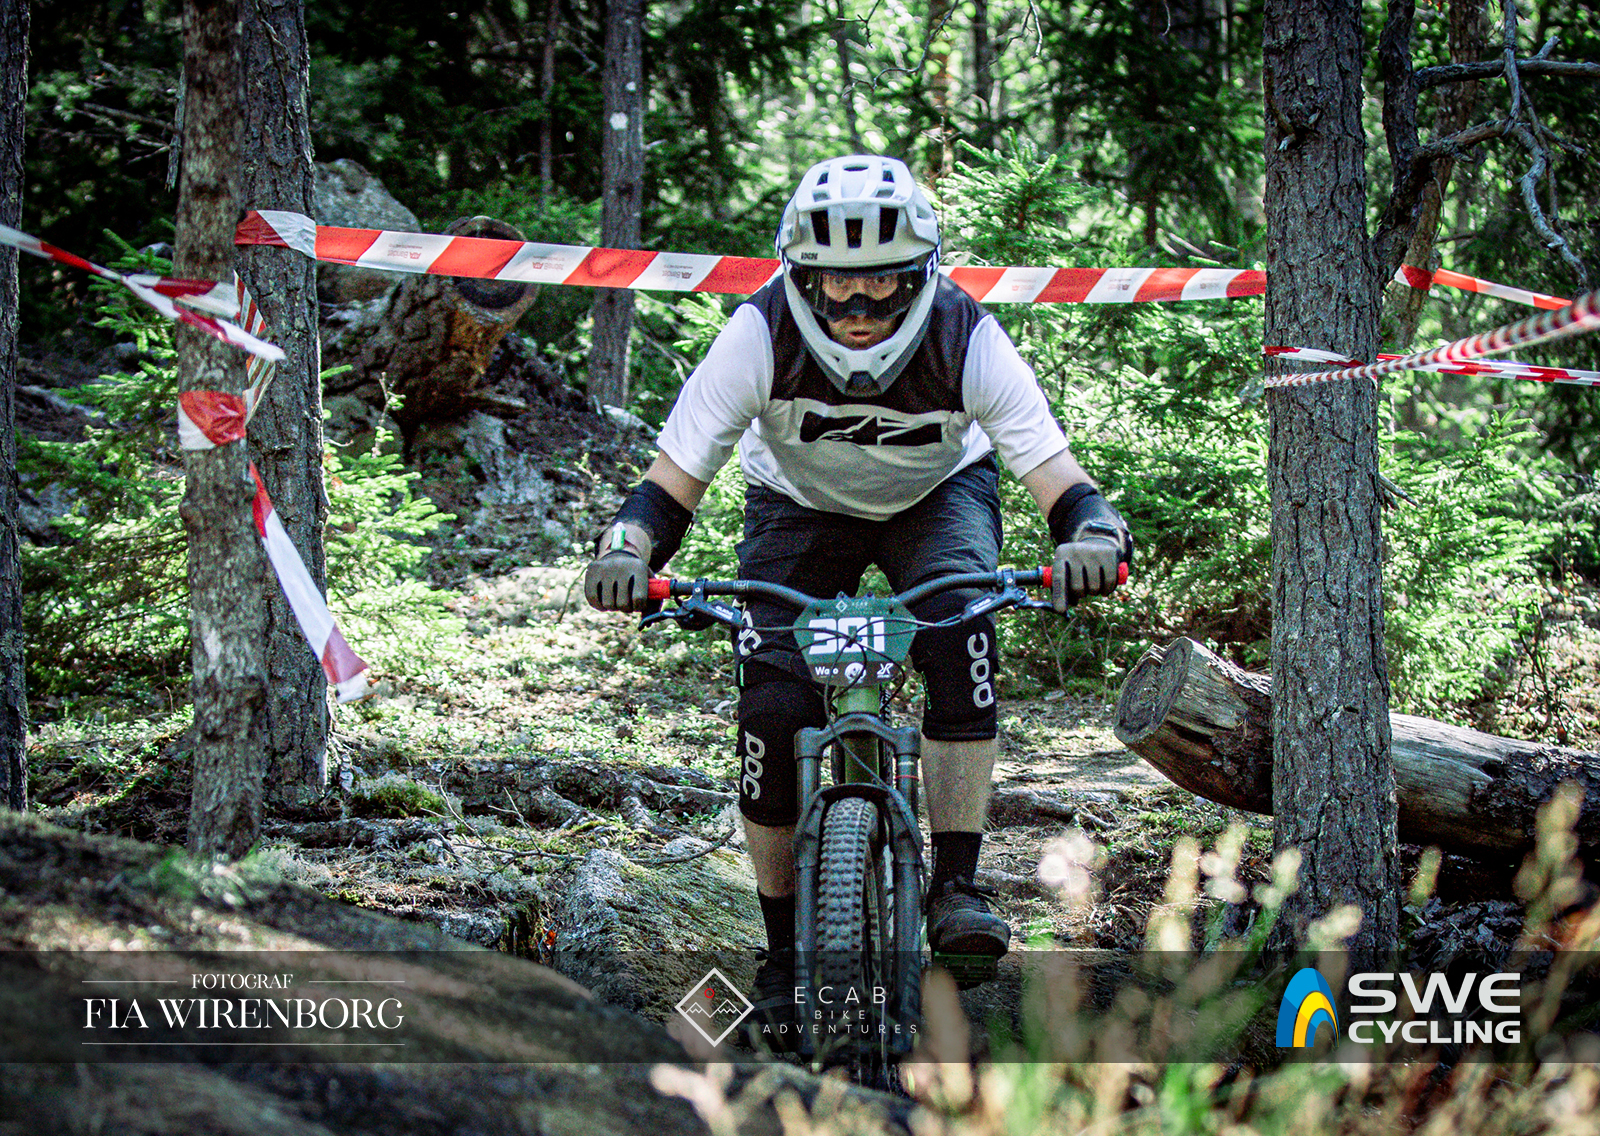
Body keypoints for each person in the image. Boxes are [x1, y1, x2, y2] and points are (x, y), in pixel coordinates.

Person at [584, 154, 1131, 1040]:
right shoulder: (759, 334)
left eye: (883, 284)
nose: (860, 310)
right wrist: (625, 551)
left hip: (937, 498)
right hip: (797, 507)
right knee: (771, 708)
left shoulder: (964, 334)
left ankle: (956, 885)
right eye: (837, 287)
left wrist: (1094, 537)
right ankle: (781, 954)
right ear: (801, 277)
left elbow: (1058, 478)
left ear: (922, 274)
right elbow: (668, 486)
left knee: (960, 634)